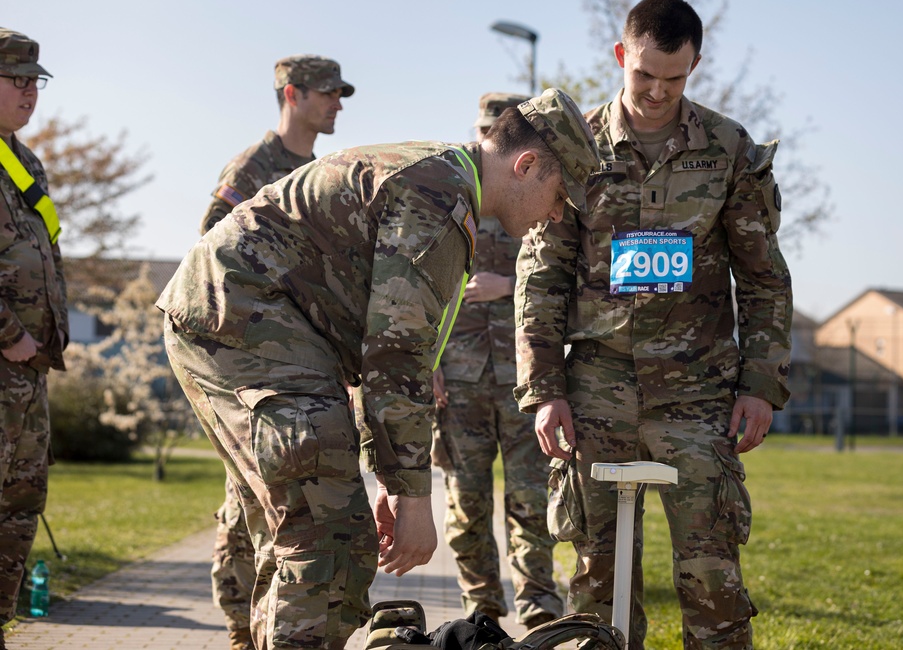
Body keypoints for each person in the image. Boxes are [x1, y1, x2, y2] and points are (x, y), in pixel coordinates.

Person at [158, 88, 599, 650]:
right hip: (247, 324)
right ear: (527, 164)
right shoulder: (440, 200)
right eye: (560, 194)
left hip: (246, 324)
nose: (557, 213)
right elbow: (396, 359)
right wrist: (413, 497)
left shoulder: (444, 178)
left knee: (306, 532)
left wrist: (394, 478)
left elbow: (384, 354)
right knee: (329, 536)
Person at [514, 0, 792, 649]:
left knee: (713, 580)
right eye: (644, 76)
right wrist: (544, 391)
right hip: (596, 391)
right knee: (594, 580)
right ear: (621, 57)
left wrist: (761, 383)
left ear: (695, 64)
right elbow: (541, 278)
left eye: (675, 78)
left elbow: (763, 278)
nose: (658, 92)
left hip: (699, 394)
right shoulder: (573, 147)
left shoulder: (729, 151)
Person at [201, 54, 354, 650]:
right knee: (247, 498)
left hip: (298, 360)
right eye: (327, 93)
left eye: (340, 93)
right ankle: (240, 625)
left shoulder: (316, 171)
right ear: (292, 94)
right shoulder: (254, 167)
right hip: (247, 361)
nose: (337, 103)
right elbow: (210, 259)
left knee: (275, 498)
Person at [431, 93, 562, 629]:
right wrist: (426, 361)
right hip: (457, 380)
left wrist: (508, 285)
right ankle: (481, 614)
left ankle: (538, 612)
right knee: (467, 505)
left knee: (531, 502)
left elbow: (560, 279)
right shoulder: (448, 196)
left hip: (521, 378)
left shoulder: (537, 192)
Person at [0, 29, 68, 648]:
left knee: (19, 508)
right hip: (6, 362)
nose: (29, 92)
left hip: (27, 375)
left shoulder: (24, 163)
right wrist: (9, 333)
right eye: (16, 79)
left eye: (34, 80)